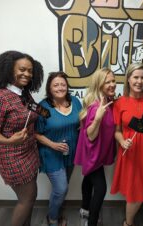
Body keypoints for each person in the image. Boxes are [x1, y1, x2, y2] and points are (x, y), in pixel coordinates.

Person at [0, 50, 44, 226]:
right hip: (10, 155)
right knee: (27, 198)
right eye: (22, 69)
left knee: (29, 197)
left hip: (29, 151)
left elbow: (34, 110)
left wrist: (52, 111)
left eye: (30, 71)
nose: (26, 74)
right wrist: (10, 140)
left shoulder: (24, 94)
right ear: (9, 69)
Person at [110, 62, 143, 226]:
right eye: (135, 77)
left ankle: (128, 222)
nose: (139, 81)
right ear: (128, 79)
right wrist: (121, 141)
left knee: (139, 188)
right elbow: (117, 131)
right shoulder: (120, 103)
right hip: (130, 151)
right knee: (135, 191)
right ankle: (129, 223)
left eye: (142, 77)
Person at [35, 72, 82, 226]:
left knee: (64, 186)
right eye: (56, 85)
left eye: (63, 84)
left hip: (70, 152)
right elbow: (36, 133)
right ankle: (53, 218)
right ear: (49, 87)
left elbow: (81, 124)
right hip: (51, 153)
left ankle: (58, 211)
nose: (60, 87)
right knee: (61, 188)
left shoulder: (75, 102)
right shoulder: (43, 107)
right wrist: (53, 145)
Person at [74, 68, 116, 226]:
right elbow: (91, 135)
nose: (112, 84)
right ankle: (91, 222)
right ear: (99, 84)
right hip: (93, 154)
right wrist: (98, 119)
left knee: (89, 180)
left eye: (113, 81)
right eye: (108, 81)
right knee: (101, 188)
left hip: (96, 152)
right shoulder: (96, 107)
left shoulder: (106, 101)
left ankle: (85, 210)